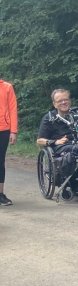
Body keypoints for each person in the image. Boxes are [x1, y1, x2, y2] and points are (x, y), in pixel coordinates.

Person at [37, 89, 78, 187]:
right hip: (61, 146)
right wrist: (55, 141)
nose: (64, 102)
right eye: (60, 101)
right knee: (76, 150)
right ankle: (76, 181)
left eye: (66, 99)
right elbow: (39, 141)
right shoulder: (49, 118)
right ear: (54, 104)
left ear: (70, 101)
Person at [0, 77, 17, 206]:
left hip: (3, 129)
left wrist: (13, 131)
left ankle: (0, 194)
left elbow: (12, 109)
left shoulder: (7, 87)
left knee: (0, 161)